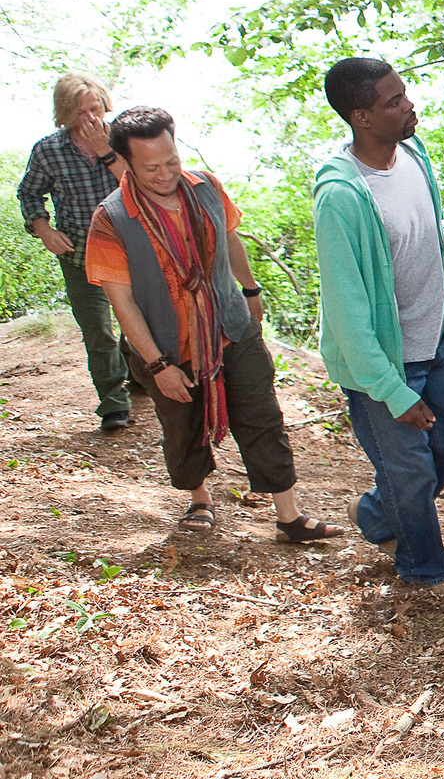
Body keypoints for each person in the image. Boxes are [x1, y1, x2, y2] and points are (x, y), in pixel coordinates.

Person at [84, 107, 338, 541]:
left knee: (262, 418)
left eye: (172, 161)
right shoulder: (111, 219)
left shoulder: (205, 187)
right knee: (183, 429)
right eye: (151, 167)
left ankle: (289, 517)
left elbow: (230, 235)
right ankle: (200, 499)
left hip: (231, 330)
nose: (166, 174)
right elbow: (122, 303)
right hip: (166, 346)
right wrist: (158, 366)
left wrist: (250, 289)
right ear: (124, 162)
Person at [314, 58, 444, 592]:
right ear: (360, 116)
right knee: (411, 471)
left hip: (434, 339)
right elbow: (346, 307)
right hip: (382, 360)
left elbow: (432, 244)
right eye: (393, 101)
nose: (408, 105)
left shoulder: (413, 155)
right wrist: (390, 390)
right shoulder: (341, 196)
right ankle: (425, 571)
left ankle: (381, 516)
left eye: (403, 93)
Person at [16, 73, 132, 431]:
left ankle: (140, 376)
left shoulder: (125, 138)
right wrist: (43, 229)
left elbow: (143, 186)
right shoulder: (48, 150)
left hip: (131, 251)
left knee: (140, 319)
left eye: (95, 108)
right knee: (98, 329)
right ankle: (114, 404)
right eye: (80, 112)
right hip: (79, 254)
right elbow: (29, 193)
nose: (90, 118)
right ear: (64, 113)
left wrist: (106, 152)